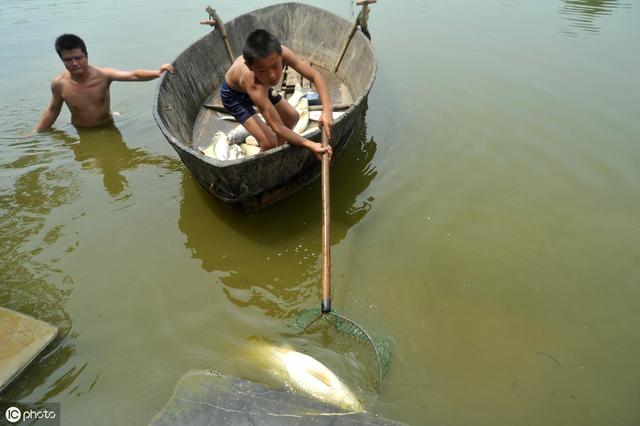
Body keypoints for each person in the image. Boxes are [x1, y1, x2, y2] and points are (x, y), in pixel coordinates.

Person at [220, 29, 333, 160]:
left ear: (281, 55)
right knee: (268, 143)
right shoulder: (253, 82)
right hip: (234, 96)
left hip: (263, 86)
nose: (272, 75)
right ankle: (263, 162)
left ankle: (278, 151)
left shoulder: (282, 53)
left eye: (275, 66)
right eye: (263, 70)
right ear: (250, 67)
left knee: (292, 117)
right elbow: (277, 126)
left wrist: (327, 110)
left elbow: (315, 76)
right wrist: (310, 144)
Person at [36, 34, 174, 132]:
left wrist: (157, 72)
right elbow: (53, 110)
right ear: (62, 59)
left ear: (86, 55)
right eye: (68, 59)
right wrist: (37, 132)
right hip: (81, 130)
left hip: (107, 125)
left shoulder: (103, 75)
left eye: (78, 58)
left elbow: (134, 74)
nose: (74, 63)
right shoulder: (59, 84)